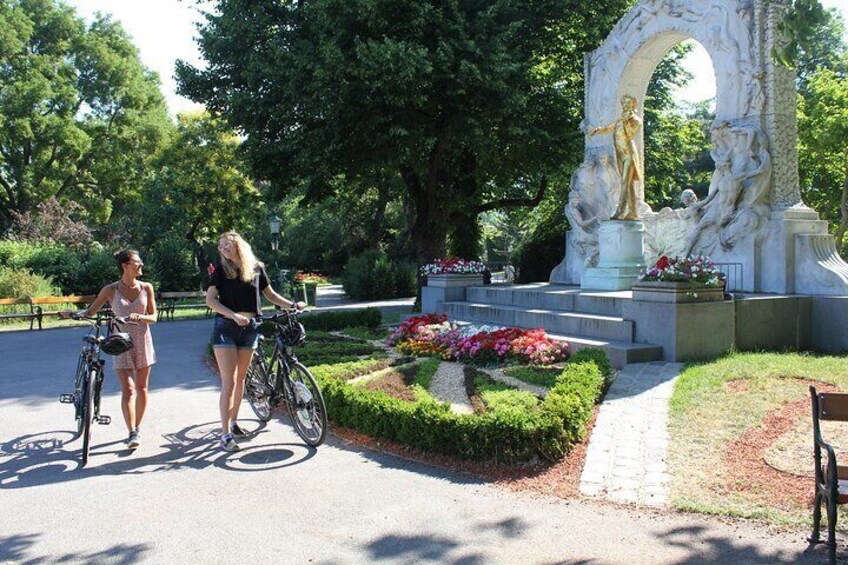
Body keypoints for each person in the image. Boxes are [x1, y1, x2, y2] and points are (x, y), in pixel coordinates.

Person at [207, 231, 305, 452]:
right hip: (226, 328)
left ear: (238, 245)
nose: (223, 249)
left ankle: (234, 422)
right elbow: (210, 300)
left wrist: (292, 305)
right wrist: (232, 315)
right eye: (221, 246)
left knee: (241, 379)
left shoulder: (256, 268)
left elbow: (270, 295)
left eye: (227, 245)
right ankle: (225, 435)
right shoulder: (222, 271)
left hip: (250, 327)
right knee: (229, 382)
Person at [63, 249, 157, 449]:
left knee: (141, 388)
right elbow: (91, 311)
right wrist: (73, 313)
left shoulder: (147, 287)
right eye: (137, 262)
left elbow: (154, 317)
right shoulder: (110, 290)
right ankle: (131, 431)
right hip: (120, 343)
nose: (141, 265)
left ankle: (137, 428)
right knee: (129, 389)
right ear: (125, 265)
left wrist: (139, 317)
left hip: (142, 341)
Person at [589, 94, 644, 220]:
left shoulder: (636, 120)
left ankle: (620, 211)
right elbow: (608, 128)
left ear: (633, 105)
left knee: (624, 182)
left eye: (627, 104)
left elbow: (630, 135)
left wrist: (625, 122)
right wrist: (596, 130)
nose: (624, 106)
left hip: (628, 154)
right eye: (623, 103)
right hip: (620, 154)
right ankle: (633, 211)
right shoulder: (620, 120)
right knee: (628, 184)